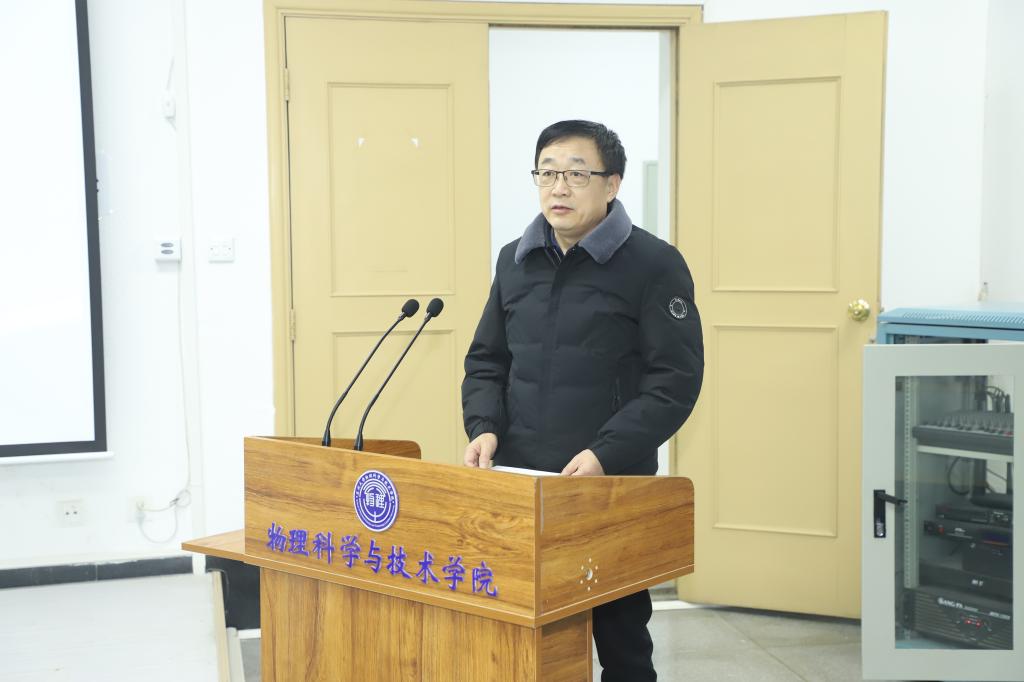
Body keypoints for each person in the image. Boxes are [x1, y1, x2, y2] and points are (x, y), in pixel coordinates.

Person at [461, 119, 704, 681]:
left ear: (612, 184)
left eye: (576, 174)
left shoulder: (653, 263)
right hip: (522, 479)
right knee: (521, 636)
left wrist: (604, 454)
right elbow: (487, 360)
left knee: (621, 640)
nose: (559, 188)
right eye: (547, 174)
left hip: (607, 483)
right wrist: (483, 426)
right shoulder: (515, 259)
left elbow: (674, 380)